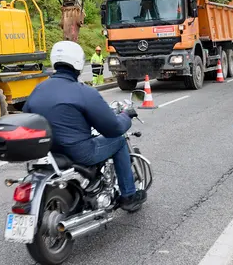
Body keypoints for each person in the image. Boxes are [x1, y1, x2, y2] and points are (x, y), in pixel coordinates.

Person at [24, 41, 147, 212]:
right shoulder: (84, 92)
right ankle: (128, 195)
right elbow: (113, 128)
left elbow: (27, 118)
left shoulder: (38, 89)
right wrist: (126, 116)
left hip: (48, 152)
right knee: (118, 141)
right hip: (79, 152)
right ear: (79, 63)